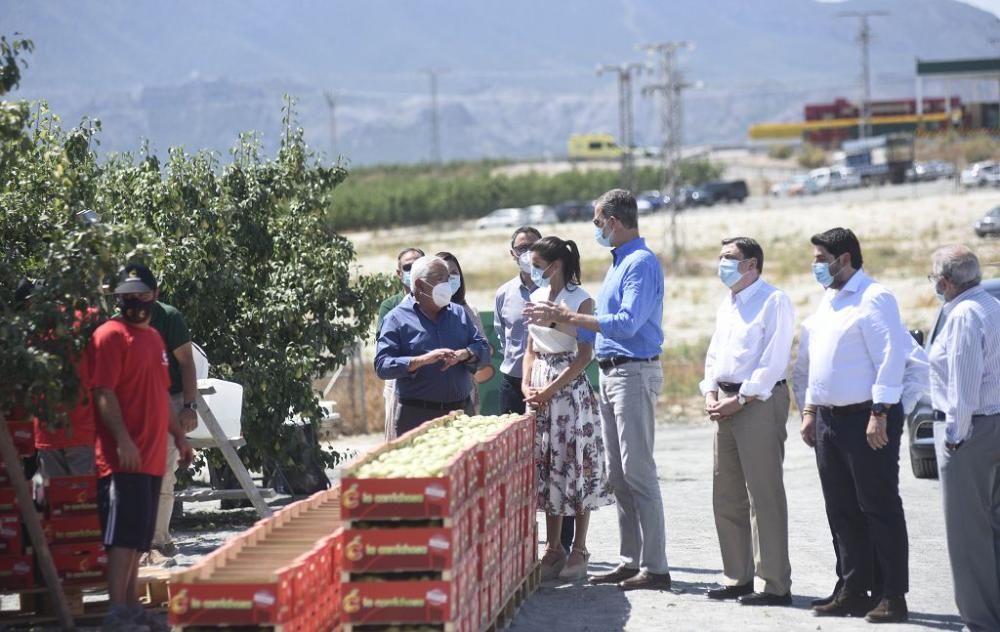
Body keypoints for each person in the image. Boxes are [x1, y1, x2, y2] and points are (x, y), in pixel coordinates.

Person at [525, 189, 670, 591]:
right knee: (620, 476)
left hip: (633, 372)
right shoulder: (620, 263)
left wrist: (565, 317)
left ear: (613, 220)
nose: (596, 229)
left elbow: (626, 323)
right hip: (611, 374)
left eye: (597, 222)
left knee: (639, 472)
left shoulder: (640, 263)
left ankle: (656, 567)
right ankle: (631, 559)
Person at [792, 227, 910, 623]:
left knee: (878, 506)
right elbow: (814, 364)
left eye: (821, 259)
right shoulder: (829, 301)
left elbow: (891, 358)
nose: (816, 266)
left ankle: (892, 594)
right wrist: (809, 411)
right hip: (828, 419)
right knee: (841, 509)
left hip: (867, 418)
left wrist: (879, 412)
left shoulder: (875, 298)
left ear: (844, 259)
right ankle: (853, 588)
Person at [91, 264, 193, 631]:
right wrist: (121, 439)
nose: (135, 303)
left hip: (151, 457)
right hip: (123, 458)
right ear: (118, 299)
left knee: (137, 536)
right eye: (127, 296)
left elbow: (163, 394)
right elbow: (103, 392)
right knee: (120, 537)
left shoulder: (153, 339)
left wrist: (179, 437)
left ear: (154, 295)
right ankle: (116, 611)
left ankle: (132, 606)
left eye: (142, 295)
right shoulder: (108, 336)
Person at [700, 237, 794, 606]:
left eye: (729, 258)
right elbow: (714, 353)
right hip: (724, 401)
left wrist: (741, 399)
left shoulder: (774, 301)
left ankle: (774, 583)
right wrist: (710, 392)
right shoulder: (729, 303)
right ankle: (737, 576)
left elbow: (773, 360)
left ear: (751, 264)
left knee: (763, 494)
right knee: (727, 494)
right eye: (720, 256)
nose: (721, 263)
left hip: (757, 402)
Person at [521, 236, 614, 582]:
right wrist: (527, 385)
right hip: (541, 383)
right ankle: (553, 546)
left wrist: (549, 389)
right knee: (547, 466)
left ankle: (580, 547)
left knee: (575, 464)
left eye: (537, 263)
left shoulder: (581, 300)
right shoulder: (534, 297)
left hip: (567, 389)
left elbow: (584, 354)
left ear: (555, 265)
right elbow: (530, 347)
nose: (533, 270)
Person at [927, 245, 1000, 632]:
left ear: (946, 281)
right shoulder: (990, 304)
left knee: (968, 537)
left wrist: (955, 436)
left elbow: (964, 383)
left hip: (972, 431)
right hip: (993, 423)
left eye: (933, 279)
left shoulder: (964, 315)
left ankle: (980, 622)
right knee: (991, 530)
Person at [374, 256, 491, 435]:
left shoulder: (458, 313)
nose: (446, 284)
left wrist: (465, 354)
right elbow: (383, 366)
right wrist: (420, 361)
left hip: (461, 414)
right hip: (418, 416)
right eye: (439, 279)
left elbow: (483, 349)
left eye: (448, 279)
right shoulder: (396, 319)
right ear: (420, 285)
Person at [14, 279, 99, 480]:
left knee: (68, 501)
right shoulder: (81, 320)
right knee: (79, 502)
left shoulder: (32, 332)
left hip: (66, 430)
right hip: (65, 431)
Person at [146, 267, 200, 566]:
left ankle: (157, 540)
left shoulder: (169, 317)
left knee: (164, 470)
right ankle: (148, 541)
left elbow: (187, 364)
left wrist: (189, 406)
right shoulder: (117, 323)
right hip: (137, 402)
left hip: (171, 397)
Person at [377, 247, 425, 442]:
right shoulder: (391, 306)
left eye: (419, 266)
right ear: (399, 274)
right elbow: (386, 353)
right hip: (399, 381)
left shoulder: (441, 304)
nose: (413, 271)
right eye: (408, 267)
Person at [495, 226, 541, 415]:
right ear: (513, 254)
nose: (528, 253)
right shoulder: (504, 293)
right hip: (513, 383)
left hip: (548, 383)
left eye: (534, 246)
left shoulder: (558, 289)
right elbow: (502, 336)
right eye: (522, 248)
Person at [436, 251, 490, 413]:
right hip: (434, 391)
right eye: (444, 274)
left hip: (465, 389)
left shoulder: (469, 311)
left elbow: (484, 348)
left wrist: (467, 353)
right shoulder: (426, 311)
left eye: (454, 274)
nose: (450, 278)